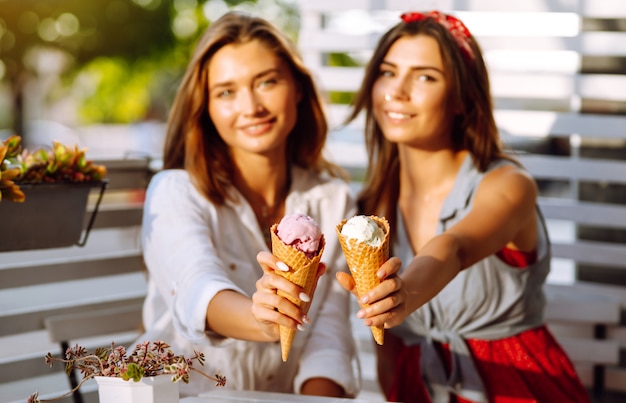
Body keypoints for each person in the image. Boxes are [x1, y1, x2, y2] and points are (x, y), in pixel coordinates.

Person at [336, 10, 589, 403]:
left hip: (518, 387)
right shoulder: (370, 209)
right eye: (388, 72)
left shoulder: (508, 185)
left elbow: (453, 247)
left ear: (461, 97)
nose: (397, 91)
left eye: (425, 76)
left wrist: (405, 294)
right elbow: (387, 348)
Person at [139, 11, 359, 398]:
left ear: (298, 89)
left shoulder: (334, 199)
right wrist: (264, 321)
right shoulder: (174, 191)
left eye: (267, 82)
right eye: (226, 92)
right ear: (204, 106)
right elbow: (197, 289)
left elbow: (329, 336)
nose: (251, 106)